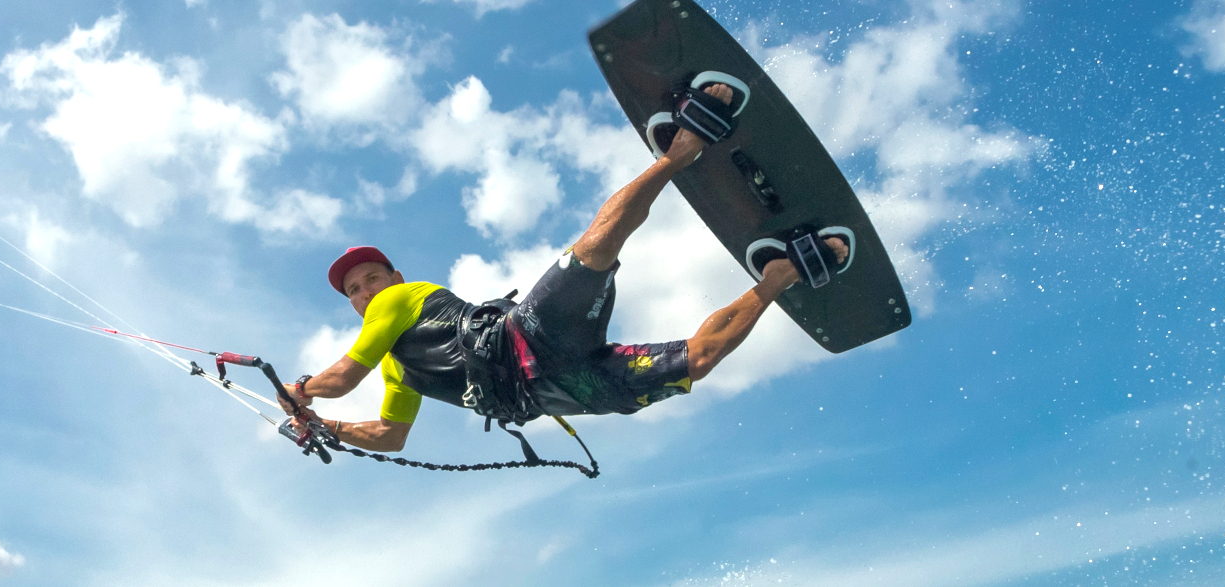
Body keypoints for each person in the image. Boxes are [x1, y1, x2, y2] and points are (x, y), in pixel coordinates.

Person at [280, 82, 846, 452]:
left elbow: (343, 377)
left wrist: (302, 389)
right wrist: (321, 427)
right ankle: (782, 273)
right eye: (354, 290)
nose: (364, 291)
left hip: (528, 333)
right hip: (558, 389)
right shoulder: (399, 370)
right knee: (696, 362)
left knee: (594, 248)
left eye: (370, 278)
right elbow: (390, 435)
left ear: (393, 280)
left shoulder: (397, 302)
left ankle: (684, 148)